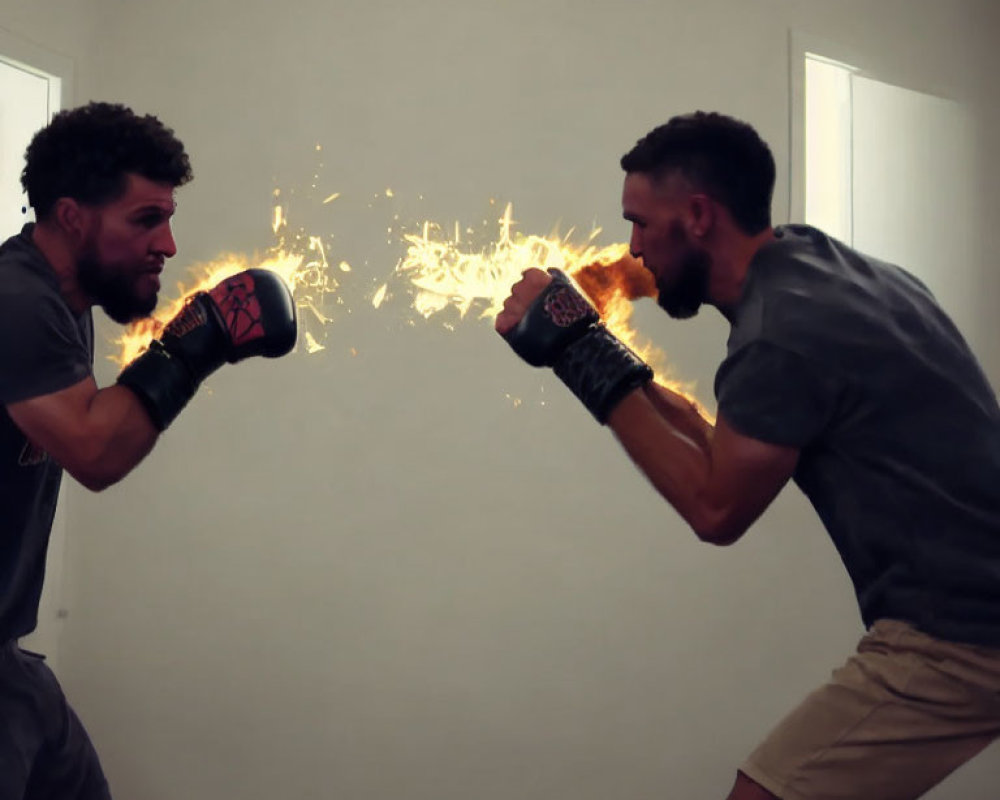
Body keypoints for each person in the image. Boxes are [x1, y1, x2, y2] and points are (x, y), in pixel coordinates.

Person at [495, 111, 1000, 800]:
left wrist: (575, 353)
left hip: (965, 633)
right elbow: (720, 450)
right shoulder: (835, 275)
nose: (633, 247)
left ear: (698, 215)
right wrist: (590, 345)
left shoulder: (778, 333)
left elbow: (715, 508)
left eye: (640, 221)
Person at [0, 102, 297, 798]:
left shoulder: (65, 304)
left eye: (167, 218)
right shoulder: (15, 302)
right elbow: (95, 451)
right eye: (145, 220)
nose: (167, 243)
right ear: (72, 216)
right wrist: (203, 337)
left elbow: (94, 421)